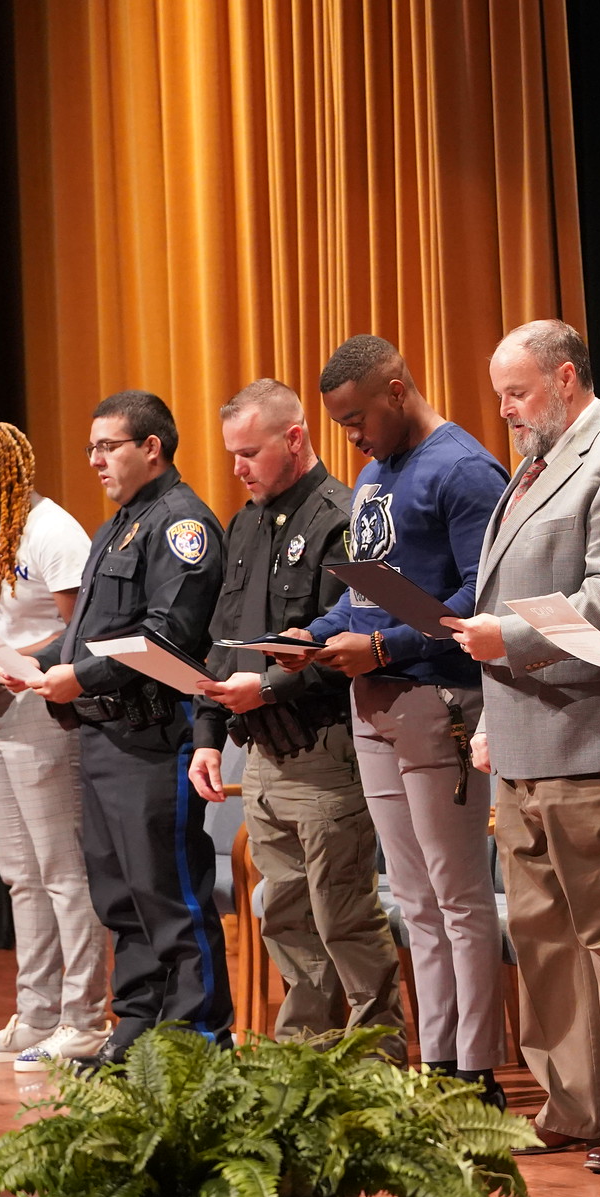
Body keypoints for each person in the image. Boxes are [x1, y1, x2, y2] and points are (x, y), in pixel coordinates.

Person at [444, 320, 600, 1173]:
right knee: (544, 938)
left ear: (567, 378)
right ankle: (574, 1098)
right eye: (502, 394)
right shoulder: (532, 467)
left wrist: (502, 637)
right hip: (520, 740)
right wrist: (486, 716)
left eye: (518, 393)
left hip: (595, 737)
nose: (506, 410)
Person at [281, 335, 510, 1102]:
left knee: (458, 894)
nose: (352, 438)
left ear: (398, 387)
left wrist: (383, 644)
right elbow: (366, 590)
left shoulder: (465, 468)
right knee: (412, 898)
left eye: (357, 420)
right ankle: (435, 1061)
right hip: (373, 701)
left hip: (436, 700)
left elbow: (482, 596)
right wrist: (312, 635)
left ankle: (476, 1069)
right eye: (341, 425)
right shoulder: (375, 474)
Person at [188, 380, 404, 1056]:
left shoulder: (341, 516)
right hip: (260, 754)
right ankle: (305, 1069)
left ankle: (377, 1066)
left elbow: (343, 645)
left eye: (249, 451)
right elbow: (223, 636)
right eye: (231, 454)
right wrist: (205, 735)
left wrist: (272, 687)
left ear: (295, 437)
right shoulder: (245, 522)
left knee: (344, 918)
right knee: (286, 919)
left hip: (323, 747)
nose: (237, 468)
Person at [19, 392, 229, 1063]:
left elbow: (167, 634)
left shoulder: (181, 524)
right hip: (102, 737)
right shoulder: (120, 522)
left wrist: (78, 676)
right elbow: (91, 632)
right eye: (90, 447)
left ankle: (199, 1036)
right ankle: (139, 1022)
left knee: (168, 894)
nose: (95, 460)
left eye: (107, 445)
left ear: (151, 447)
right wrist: (30, 663)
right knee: (121, 897)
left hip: (153, 736)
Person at [0, 421, 109, 1069]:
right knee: (19, 873)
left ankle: (83, 1018)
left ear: (8, 474)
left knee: (62, 871)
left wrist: (3, 662)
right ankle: (35, 1014)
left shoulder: (54, 530)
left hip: (45, 708)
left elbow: (79, 633)